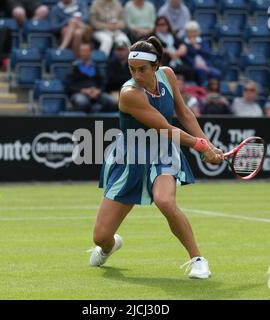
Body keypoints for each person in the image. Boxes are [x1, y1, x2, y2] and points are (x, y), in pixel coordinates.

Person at [89, 36, 224, 279]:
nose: (137, 75)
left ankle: (198, 260)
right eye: (132, 69)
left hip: (163, 153)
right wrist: (202, 146)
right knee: (100, 236)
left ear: (156, 66)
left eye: (142, 69)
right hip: (131, 158)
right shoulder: (130, 93)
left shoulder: (167, 75)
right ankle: (109, 246)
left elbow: (183, 113)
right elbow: (165, 127)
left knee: (165, 201)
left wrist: (209, 145)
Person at [68, 43, 118, 113]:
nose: (84, 53)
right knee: (83, 103)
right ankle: (84, 123)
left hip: (95, 92)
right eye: (82, 51)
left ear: (90, 52)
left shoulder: (96, 66)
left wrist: (98, 91)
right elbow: (69, 85)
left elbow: (102, 82)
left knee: (111, 102)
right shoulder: (74, 67)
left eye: (86, 51)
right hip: (79, 92)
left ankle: (99, 122)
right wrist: (83, 90)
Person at [181, 21, 221, 85]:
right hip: (192, 67)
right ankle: (203, 90)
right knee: (202, 72)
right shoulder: (184, 43)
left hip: (206, 65)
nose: (192, 33)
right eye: (190, 31)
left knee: (217, 73)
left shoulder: (203, 41)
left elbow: (207, 53)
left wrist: (198, 48)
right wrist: (192, 46)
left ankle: (214, 91)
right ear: (186, 33)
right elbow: (185, 57)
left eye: (194, 31)